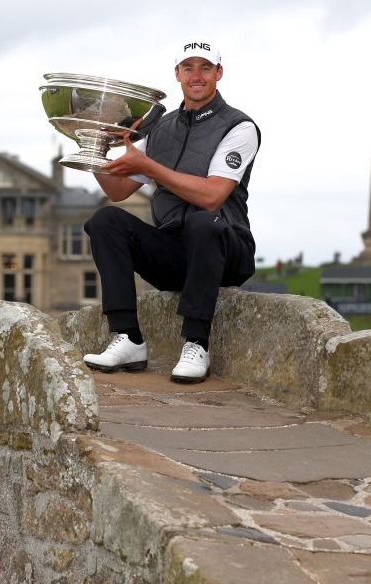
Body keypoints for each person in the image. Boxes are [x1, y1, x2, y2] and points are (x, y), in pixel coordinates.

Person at [82, 38, 260, 383]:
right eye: (189, 67)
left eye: (205, 68)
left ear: (218, 73)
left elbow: (212, 196)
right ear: (177, 74)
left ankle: (196, 342)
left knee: (202, 221)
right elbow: (117, 191)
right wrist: (90, 144)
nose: (197, 75)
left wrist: (150, 168)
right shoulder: (160, 130)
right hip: (175, 254)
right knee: (105, 221)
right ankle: (128, 337)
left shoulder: (239, 127)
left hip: (225, 249)